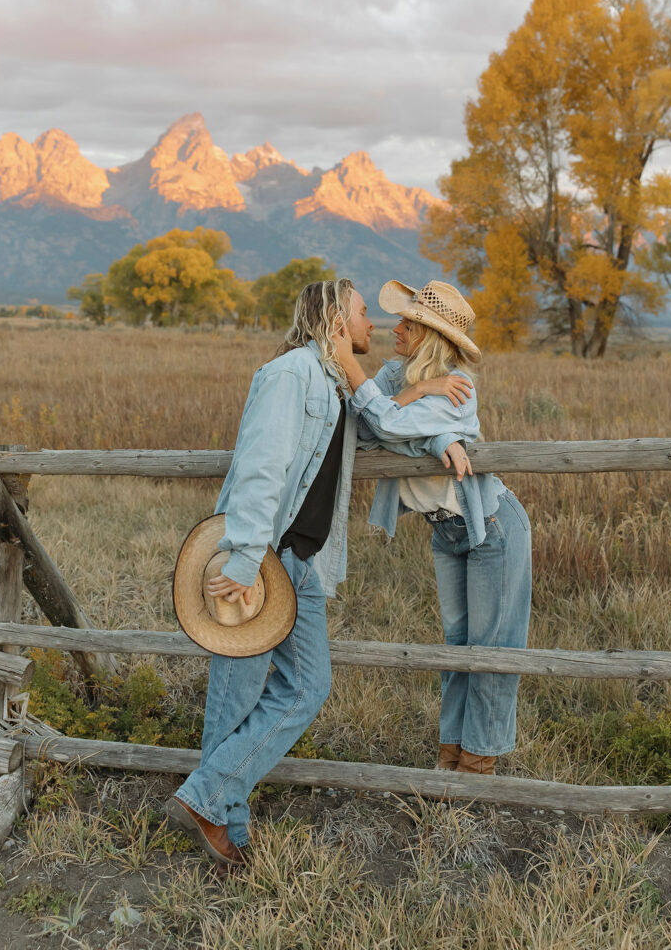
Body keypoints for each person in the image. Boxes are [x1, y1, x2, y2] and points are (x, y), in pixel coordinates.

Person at [166, 278, 466, 872]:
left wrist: (437, 416)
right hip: (263, 560)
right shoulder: (290, 376)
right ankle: (228, 826)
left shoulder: (334, 384)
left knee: (306, 687)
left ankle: (208, 799)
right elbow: (261, 468)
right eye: (361, 313)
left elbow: (385, 418)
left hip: (298, 565)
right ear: (334, 323)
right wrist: (246, 559)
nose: (371, 324)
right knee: (236, 695)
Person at [334, 279, 532, 776]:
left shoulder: (459, 386)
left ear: (429, 335)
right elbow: (361, 428)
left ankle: (478, 763)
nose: (395, 328)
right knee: (456, 647)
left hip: (491, 526)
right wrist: (422, 402)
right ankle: (451, 754)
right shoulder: (399, 376)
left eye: (408, 323)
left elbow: (389, 426)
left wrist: (421, 419)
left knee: (489, 650)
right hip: (446, 531)